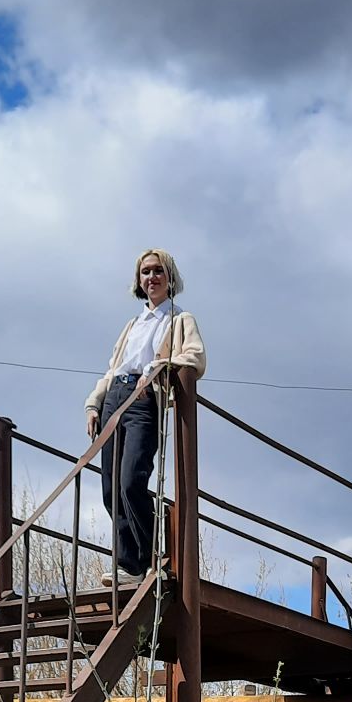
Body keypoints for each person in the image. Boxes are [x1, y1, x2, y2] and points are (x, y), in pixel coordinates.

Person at [85, 247, 206, 582]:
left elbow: (195, 358)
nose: (151, 277)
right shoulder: (132, 325)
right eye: (145, 272)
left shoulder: (180, 320)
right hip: (115, 397)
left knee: (131, 481)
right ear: (139, 280)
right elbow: (112, 369)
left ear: (170, 277)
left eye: (157, 271)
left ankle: (154, 559)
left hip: (144, 399)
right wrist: (94, 403)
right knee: (110, 487)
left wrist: (159, 367)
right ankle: (130, 565)